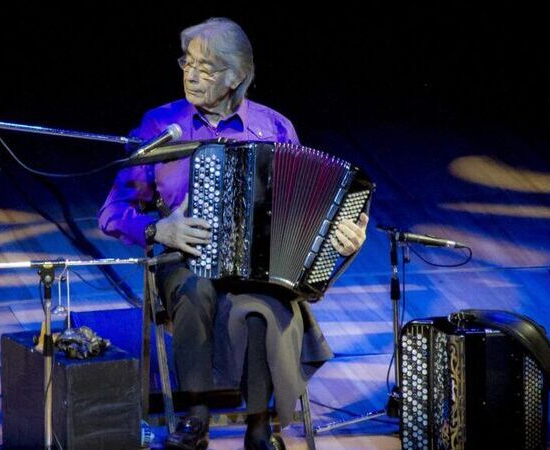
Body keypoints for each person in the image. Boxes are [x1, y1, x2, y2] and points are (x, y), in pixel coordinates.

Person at [98, 17, 369, 450]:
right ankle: (197, 418)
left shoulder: (275, 128)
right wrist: (160, 228)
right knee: (197, 288)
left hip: (258, 265)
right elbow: (112, 212)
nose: (190, 74)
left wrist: (344, 237)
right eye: (187, 62)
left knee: (264, 303)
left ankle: (259, 427)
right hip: (182, 259)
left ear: (236, 77)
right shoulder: (160, 125)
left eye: (205, 69)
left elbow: (310, 213)